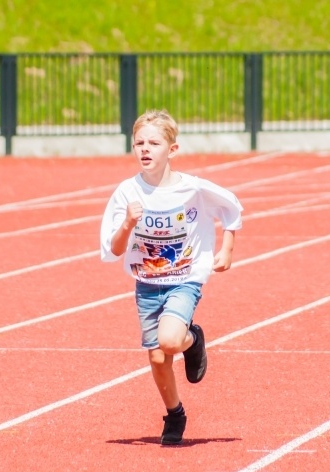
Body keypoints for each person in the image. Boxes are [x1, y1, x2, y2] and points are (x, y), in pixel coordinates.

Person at [100, 109, 243, 445]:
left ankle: (192, 337)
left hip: (184, 278)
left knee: (169, 341)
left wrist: (228, 250)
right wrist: (128, 224)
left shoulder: (191, 189)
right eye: (139, 143)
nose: (145, 149)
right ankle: (174, 413)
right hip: (147, 283)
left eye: (153, 142)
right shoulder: (126, 193)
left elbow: (232, 208)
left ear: (172, 150)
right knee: (157, 357)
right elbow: (115, 248)